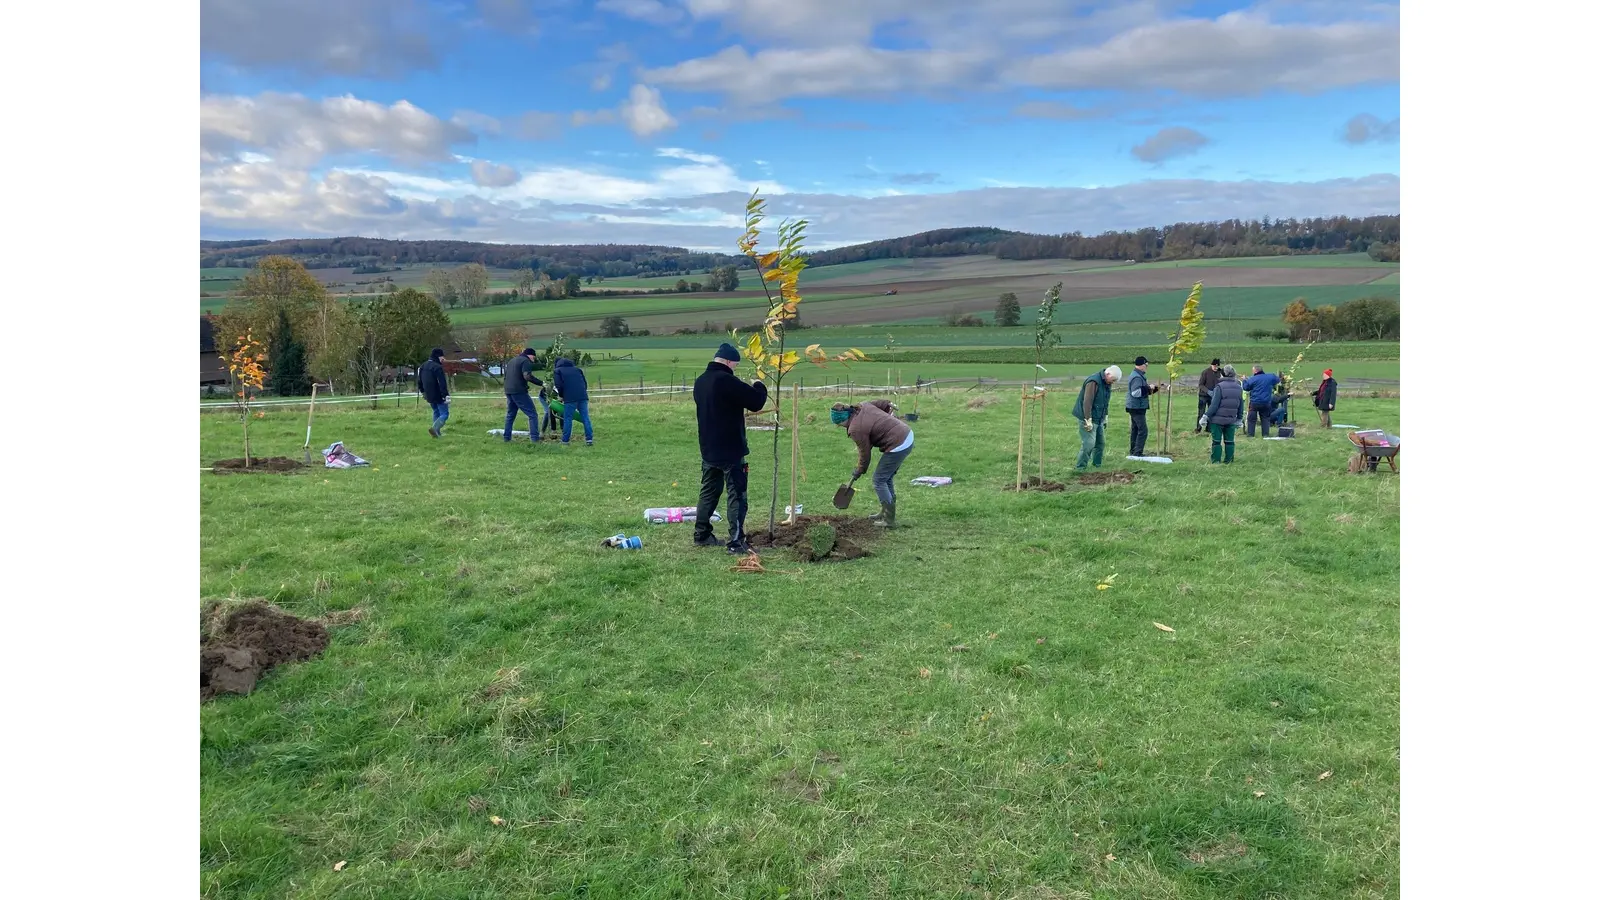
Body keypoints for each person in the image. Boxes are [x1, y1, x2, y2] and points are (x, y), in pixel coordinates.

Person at [692, 342, 768, 552]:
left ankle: (701, 534)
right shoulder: (727, 381)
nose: (734, 368)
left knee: (708, 491)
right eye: (734, 364)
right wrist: (759, 384)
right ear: (727, 361)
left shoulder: (700, 382)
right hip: (731, 450)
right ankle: (736, 541)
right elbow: (756, 402)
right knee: (737, 494)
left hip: (708, 449)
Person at [831, 400, 913, 528]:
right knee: (886, 478)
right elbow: (882, 403)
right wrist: (887, 407)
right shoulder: (863, 405)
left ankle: (889, 520)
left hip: (898, 443)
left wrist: (859, 470)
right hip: (905, 434)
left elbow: (865, 453)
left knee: (879, 480)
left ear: (841, 421)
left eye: (838, 424)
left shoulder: (855, 429)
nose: (839, 427)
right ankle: (885, 512)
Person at [1071, 365, 1122, 470]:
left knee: (1100, 443)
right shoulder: (1093, 382)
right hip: (1088, 416)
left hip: (1099, 417)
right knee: (1089, 444)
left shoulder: (1107, 383)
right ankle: (1080, 468)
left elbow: (1105, 401)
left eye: (1114, 381)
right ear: (1107, 374)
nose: (1112, 383)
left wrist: (1105, 416)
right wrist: (1088, 419)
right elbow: (1087, 402)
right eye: (1112, 380)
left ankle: (1097, 465)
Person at [1199, 364, 1245, 463]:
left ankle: (1216, 461)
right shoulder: (1239, 387)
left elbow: (1214, 405)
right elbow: (1241, 404)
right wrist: (1240, 419)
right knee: (1230, 441)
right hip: (1231, 419)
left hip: (1217, 420)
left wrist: (1205, 416)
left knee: (1216, 441)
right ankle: (1229, 460)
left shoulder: (1219, 387)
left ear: (1222, 375)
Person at [502, 347, 545, 444]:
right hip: (519, 391)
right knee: (533, 414)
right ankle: (535, 439)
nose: (533, 360)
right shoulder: (526, 361)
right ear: (530, 355)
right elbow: (527, 376)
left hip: (508, 390)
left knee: (510, 415)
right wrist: (541, 383)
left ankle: (507, 438)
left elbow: (506, 376)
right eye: (533, 358)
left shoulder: (512, 361)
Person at [1124, 356, 1161, 457]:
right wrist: (1148, 387)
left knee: (1135, 429)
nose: (1147, 367)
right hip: (1136, 407)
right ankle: (1138, 453)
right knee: (1143, 430)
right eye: (1146, 365)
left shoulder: (1138, 375)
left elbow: (1143, 390)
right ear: (1141, 365)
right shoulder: (1136, 377)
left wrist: (1155, 388)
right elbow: (1135, 393)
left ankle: (1133, 451)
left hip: (1135, 406)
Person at [552, 357, 593, 445]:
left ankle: (565, 440)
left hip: (570, 398)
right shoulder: (578, 370)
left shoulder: (557, 371)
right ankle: (589, 439)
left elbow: (559, 385)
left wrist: (562, 396)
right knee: (585, 417)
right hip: (582, 396)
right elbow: (585, 384)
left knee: (568, 418)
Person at [1241, 365, 1281, 438]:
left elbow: (1246, 387)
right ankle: (1265, 435)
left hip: (1254, 403)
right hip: (1266, 402)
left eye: (1253, 370)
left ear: (1256, 371)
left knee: (1251, 419)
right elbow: (1278, 379)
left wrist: (1244, 380)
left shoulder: (1252, 379)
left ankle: (1250, 435)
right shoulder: (1270, 376)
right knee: (1265, 418)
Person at [418, 347, 450, 438]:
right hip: (439, 395)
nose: (442, 359)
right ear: (438, 356)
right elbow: (442, 383)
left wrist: (423, 392)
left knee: (436, 412)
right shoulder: (438, 367)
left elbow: (419, 381)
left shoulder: (422, 366)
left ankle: (436, 434)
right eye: (441, 357)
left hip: (429, 395)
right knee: (444, 414)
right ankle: (435, 429)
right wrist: (445, 395)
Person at [1195, 358, 1222, 434]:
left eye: (1217, 366)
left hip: (1213, 396)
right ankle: (1198, 429)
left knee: (1211, 412)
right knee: (1201, 412)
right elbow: (1201, 385)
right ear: (1211, 365)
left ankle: (1209, 429)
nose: (1215, 368)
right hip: (1203, 395)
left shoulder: (1220, 373)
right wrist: (1208, 391)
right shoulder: (1205, 372)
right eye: (1214, 366)